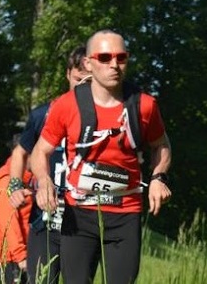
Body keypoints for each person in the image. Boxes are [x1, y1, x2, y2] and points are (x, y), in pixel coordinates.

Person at [30, 29, 172, 284]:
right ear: (88, 63)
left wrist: (159, 177)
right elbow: (40, 151)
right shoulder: (67, 104)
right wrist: (44, 180)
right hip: (79, 214)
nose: (114, 65)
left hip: (125, 213)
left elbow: (161, 145)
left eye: (121, 57)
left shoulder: (144, 105)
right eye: (105, 58)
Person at [7, 45, 91, 284]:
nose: (83, 86)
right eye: (78, 79)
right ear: (67, 74)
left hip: (83, 222)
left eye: (89, 80)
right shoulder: (43, 114)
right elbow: (20, 153)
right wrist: (15, 186)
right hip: (44, 220)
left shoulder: (104, 119)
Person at [0, 145, 33, 284]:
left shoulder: (26, 181)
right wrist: (21, 257)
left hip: (21, 257)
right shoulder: (6, 182)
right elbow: (7, 221)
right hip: (12, 262)